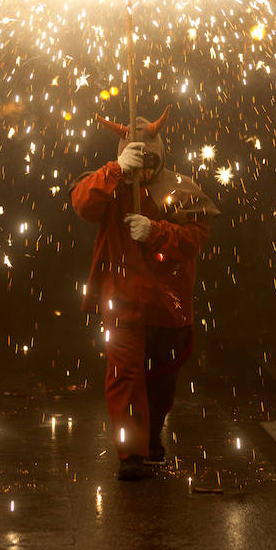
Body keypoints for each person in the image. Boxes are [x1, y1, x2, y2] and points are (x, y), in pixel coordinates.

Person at [70, 106, 219, 480]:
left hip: (166, 304)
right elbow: (83, 204)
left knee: (161, 381)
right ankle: (131, 455)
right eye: (139, 158)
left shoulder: (180, 189)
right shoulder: (109, 182)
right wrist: (117, 169)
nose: (146, 167)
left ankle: (150, 436)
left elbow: (194, 239)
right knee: (124, 374)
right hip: (120, 300)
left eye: (151, 159)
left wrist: (155, 232)